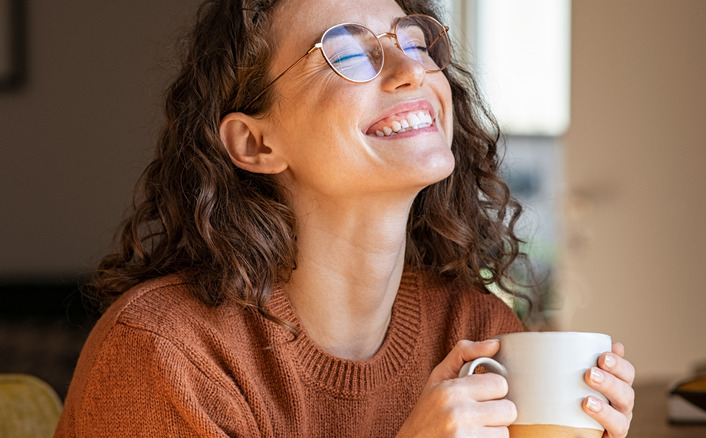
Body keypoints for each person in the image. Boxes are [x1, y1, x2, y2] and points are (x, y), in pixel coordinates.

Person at [55, 0, 635, 436]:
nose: (412, 72)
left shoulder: (474, 328)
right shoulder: (166, 354)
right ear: (256, 144)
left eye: (413, 40)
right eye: (349, 53)